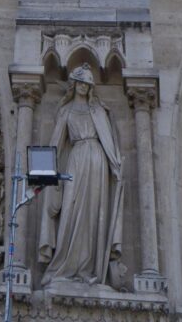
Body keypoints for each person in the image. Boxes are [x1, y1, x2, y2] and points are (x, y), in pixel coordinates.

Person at [37, 65, 123, 288]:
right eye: (81, 82)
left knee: (93, 214)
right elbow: (54, 144)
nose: (84, 87)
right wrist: (41, 176)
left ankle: (89, 269)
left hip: (97, 162)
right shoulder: (66, 111)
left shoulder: (98, 110)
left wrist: (115, 166)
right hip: (76, 160)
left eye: (88, 83)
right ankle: (62, 266)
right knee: (70, 211)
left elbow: (108, 140)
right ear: (74, 84)